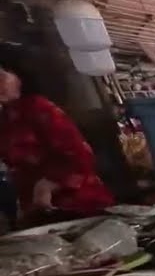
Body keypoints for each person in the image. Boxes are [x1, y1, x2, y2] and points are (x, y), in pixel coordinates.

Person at [0, 46, 112, 224]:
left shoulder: (39, 107)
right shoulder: (5, 117)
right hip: (39, 211)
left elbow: (82, 157)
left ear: (19, 76)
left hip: (80, 206)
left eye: (2, 75)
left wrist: (47, 184)